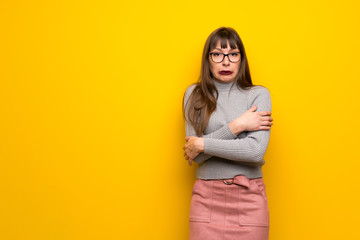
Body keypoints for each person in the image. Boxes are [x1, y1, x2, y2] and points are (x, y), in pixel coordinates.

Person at [182, 27, 274, 240]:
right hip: (206, 201)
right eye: (217, 54)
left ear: (241, 59)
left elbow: (254, 151)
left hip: (249, 199)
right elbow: (196, 156)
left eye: (233, 54)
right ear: (208, 59)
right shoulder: (193, 95)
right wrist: (238, 125)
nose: (226, 61)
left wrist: (202, 144)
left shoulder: (258, 95)